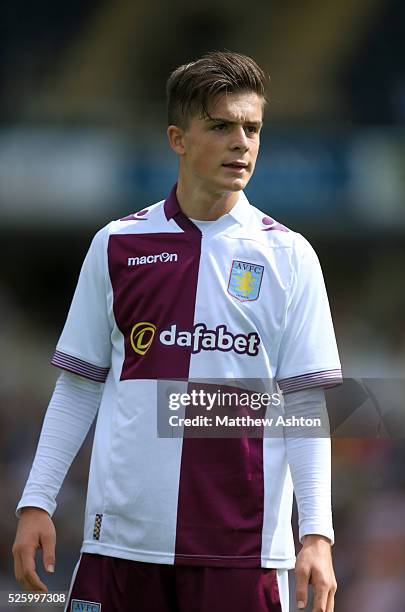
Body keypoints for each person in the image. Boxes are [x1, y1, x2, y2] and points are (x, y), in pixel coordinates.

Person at [12, 51, 341, 612]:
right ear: (178, 138)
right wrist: (36, 501)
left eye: (252, 128)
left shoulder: (290, 255)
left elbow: (303, 403)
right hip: (120, 543)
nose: (242, 142)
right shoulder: (116, 245)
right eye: (221, 126)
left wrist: (317, 533)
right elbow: (79, 386)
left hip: (244, 552)